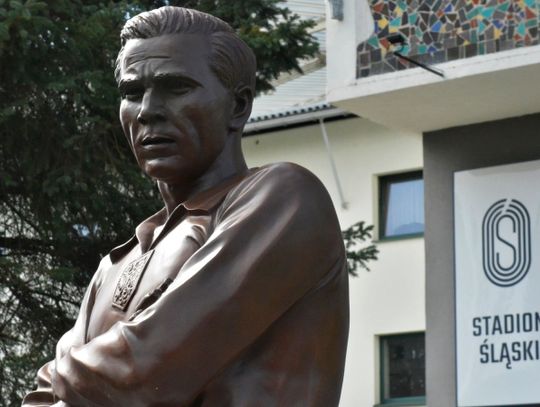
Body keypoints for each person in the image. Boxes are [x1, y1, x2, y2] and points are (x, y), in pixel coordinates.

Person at [22, 6, 349, 407]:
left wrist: (66, 373)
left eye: (175, 88)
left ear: (238, 106)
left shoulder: (284, 197)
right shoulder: (115, 264)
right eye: (131, 93)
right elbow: (42, 398)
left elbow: (141, 372)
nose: (147, 111)